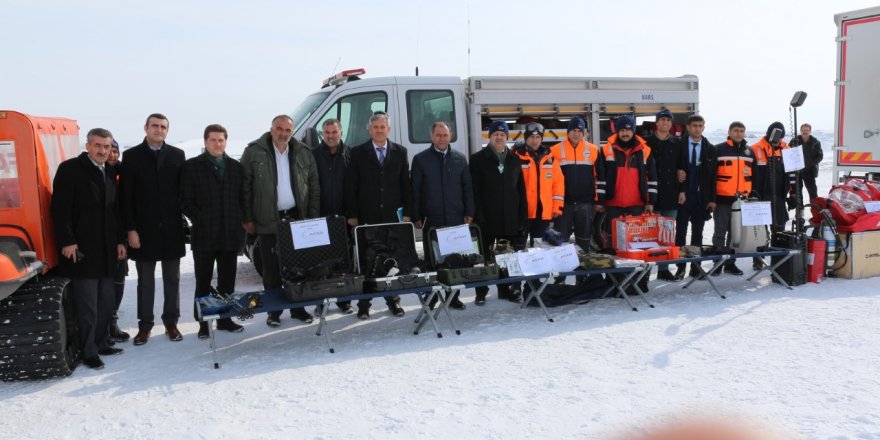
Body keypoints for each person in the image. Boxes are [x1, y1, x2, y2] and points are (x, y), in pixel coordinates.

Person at [51, 128, 127, 369]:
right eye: (98, 146)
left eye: (107, 147)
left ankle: (102, 342)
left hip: (107, 250)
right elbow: (60, 210)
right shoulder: (70, 170)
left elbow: (115, 212)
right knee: (87, 306)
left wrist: (119, 241)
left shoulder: (109, 172)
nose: (103, 151)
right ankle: (89, 351)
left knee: (106, 301)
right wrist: (67, 241)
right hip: (82, 249)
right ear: (87, 145)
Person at [242, 115, 321, 327]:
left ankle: (298, 309)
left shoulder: (303, 152)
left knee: (298, 267)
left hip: (297, 218)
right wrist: (248, 217)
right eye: (279, 129)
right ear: (271, 129)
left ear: (292, 132)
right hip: (268, 219)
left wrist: (312, 217)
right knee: (271, 269)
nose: (283, 133)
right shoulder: (254, 151)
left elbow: (313, 186)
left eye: (287, 130)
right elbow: (245, 187)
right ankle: (274, 311)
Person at [120, 113, 186, 345]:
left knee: (172, 279)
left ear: (168, 130)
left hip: (171, 230)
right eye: (155, 126)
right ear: (146, 127)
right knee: (145, 281)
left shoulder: (178, 156)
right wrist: (130, 229)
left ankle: (171, 323)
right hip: (143, 231)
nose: (159, 130)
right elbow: (125, 198)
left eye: (163, 127)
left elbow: (182, 194)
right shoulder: (131, 157)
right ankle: (145, 327)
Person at [345, 111, 413, 319]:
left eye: (383, 127)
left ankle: (393, 301)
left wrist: (408, 213)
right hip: (368, 218)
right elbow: (351, 187)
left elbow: (406, 186)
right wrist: (353, 215)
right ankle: (364, 305)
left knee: (391, 263)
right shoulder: (357, 153)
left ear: (388, 130)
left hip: (393, 218)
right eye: (376, 127)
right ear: (370, 129)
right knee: (369, 263)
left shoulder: (400, 152)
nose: (379, 130)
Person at [181, 124, 246, 339]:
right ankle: (204, 324)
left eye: (221, 140)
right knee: (203, 282)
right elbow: (185, 201)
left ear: (226, 142)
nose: (217, 144)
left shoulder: (236, 168)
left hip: (229, 233)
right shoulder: (192, 167)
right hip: (205, 235)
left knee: (227, 281)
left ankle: (225, 319)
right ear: (205, 142)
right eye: (213, 140)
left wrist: (240, 222)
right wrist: (200, 219)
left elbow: (241, 200)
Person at [410, 121, 475, 310]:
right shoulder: (421, 159)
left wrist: (469, 212)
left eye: (445, 135)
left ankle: (453, 297)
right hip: (433, 218)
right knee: (433, 261)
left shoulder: (459, 159)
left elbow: (467, 188)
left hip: (455, 218)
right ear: (431, 136)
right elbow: (415, 190)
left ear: (450, 136)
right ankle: (432, 297)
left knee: (455, 260)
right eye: (438, 135)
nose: (441, 138)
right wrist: (416, 215)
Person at [469, 120, 528, 305]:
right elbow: (474, 191)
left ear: (507, 137)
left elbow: (521, 191)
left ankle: (506, 289)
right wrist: (477, 215)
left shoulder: (514, 159)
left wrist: (522, 217)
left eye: (503, 134)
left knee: (507, 257)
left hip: (509, 218)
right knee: (484, 258)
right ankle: (481, 292)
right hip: (486, 219)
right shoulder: (478, 159)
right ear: (489, 136)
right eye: (496, 134)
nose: (499, 137)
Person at [598, 115, 657, 292]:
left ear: (633, 130)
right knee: (612, 245)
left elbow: (652, 178)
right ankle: (614, 281)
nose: (625, 133)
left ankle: (637, 281)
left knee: (636, 246)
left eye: (628, 130)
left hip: (636, 205)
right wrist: (600, 201)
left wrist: (650, 201)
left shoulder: (645, 150)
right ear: (617, 131)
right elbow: (600, 178)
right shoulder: (606, 149)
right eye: (622, 130)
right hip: (613, 204)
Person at [311, 118, 355, 315]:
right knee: (319, 263)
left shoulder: (351, 154)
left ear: (341, 132)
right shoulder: (313, 155)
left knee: (343, 262)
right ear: (323, 134)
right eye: (327, 132)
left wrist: (354, 214)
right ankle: (321, 302)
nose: (330, 136)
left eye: (334, 132)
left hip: (345, 218)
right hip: (321, 217)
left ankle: (344, 300)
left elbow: (357, 187)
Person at [671, 115, 717, 279]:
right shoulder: (678, 145)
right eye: (694, 126)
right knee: (680, 233)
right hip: (683, 196)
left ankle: (695, 267)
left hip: (701, 198)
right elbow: (673, 167)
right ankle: (680, 267)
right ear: (688, 127)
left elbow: (713, 177)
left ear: (704, 127)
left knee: (698, 233)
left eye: (700, 126)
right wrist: (677, 173)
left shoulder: (710, 148)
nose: (697, 128)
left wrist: (712, 199)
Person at [551, 116, 601, 254]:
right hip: (564, 204)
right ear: (568, 132)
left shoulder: (593, 150)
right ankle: (559, 275)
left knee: (584, 241)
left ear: (584, 133)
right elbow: (551, 180)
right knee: (560, 242)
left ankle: (582, 274)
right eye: (573, 130)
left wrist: (597, 200)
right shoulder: (555, 150)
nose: (576, 133)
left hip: (585, 203)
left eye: (580, 130)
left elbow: (599, 177)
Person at [646, 110, 686, 281]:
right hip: (652, 195)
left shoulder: (677, 143)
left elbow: (682, 168)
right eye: (662, 120)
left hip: (671, 194)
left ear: (671, 124)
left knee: (667, 235)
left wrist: (682, 190)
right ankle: (646, 270)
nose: (665, 123)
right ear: (656, 123)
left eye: (668, 120)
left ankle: (663, 269)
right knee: (650, 235)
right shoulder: (646, 143)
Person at [711, 121, 756, 275]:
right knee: (720, 233)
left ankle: (730, 263)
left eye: (741, 131)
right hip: (722, 199)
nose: (739, 133)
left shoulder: (749, 152)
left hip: (742, 201)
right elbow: (711, 176)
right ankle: (717, 263)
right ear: (729, 132)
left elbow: (753, 176)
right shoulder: (718, 149)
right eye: (736, 130)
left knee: (735, 234)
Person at [752, 121, 797, 269]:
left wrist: (795, 194)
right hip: (759, 197)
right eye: (775, 136)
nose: (777, 140)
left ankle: (778, 261)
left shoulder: (788, 150)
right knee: (759, 232)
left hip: (779, 197)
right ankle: (758, 260)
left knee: (779, 229)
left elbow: (793, 175)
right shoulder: (755, 149)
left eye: (780, 137)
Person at [513, 122, 564, 245]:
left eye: (538, 137)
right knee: (519, 247)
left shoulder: (550, 158)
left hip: (542, 213)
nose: (534, 141)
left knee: (540, 249)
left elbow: (558, 183)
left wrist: (557, 207)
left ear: (541, 138)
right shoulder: (516, 157)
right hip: (522, 212)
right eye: (531, 137)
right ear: (526, 138)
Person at [106, 140, 130, 342]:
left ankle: (112, 322)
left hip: (122, 235)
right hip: (101, 238)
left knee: (118, 281)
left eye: (114, 150)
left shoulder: (125, 172)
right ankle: (103, 326)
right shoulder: (97, 172)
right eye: (108, 150)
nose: (111, 154)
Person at [789, 122, 823, 202]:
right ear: (800, 131)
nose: (805, 132)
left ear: (810, 131)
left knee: (812, 192)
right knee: (797, 191)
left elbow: (820, 156)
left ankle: (815, 209)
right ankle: (800, 210)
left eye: (807, 130)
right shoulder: (794, 141)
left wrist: (810, 163)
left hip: (809, 170)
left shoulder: (815, 142)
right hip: (797, 170)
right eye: (803, 130)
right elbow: (788, 153)